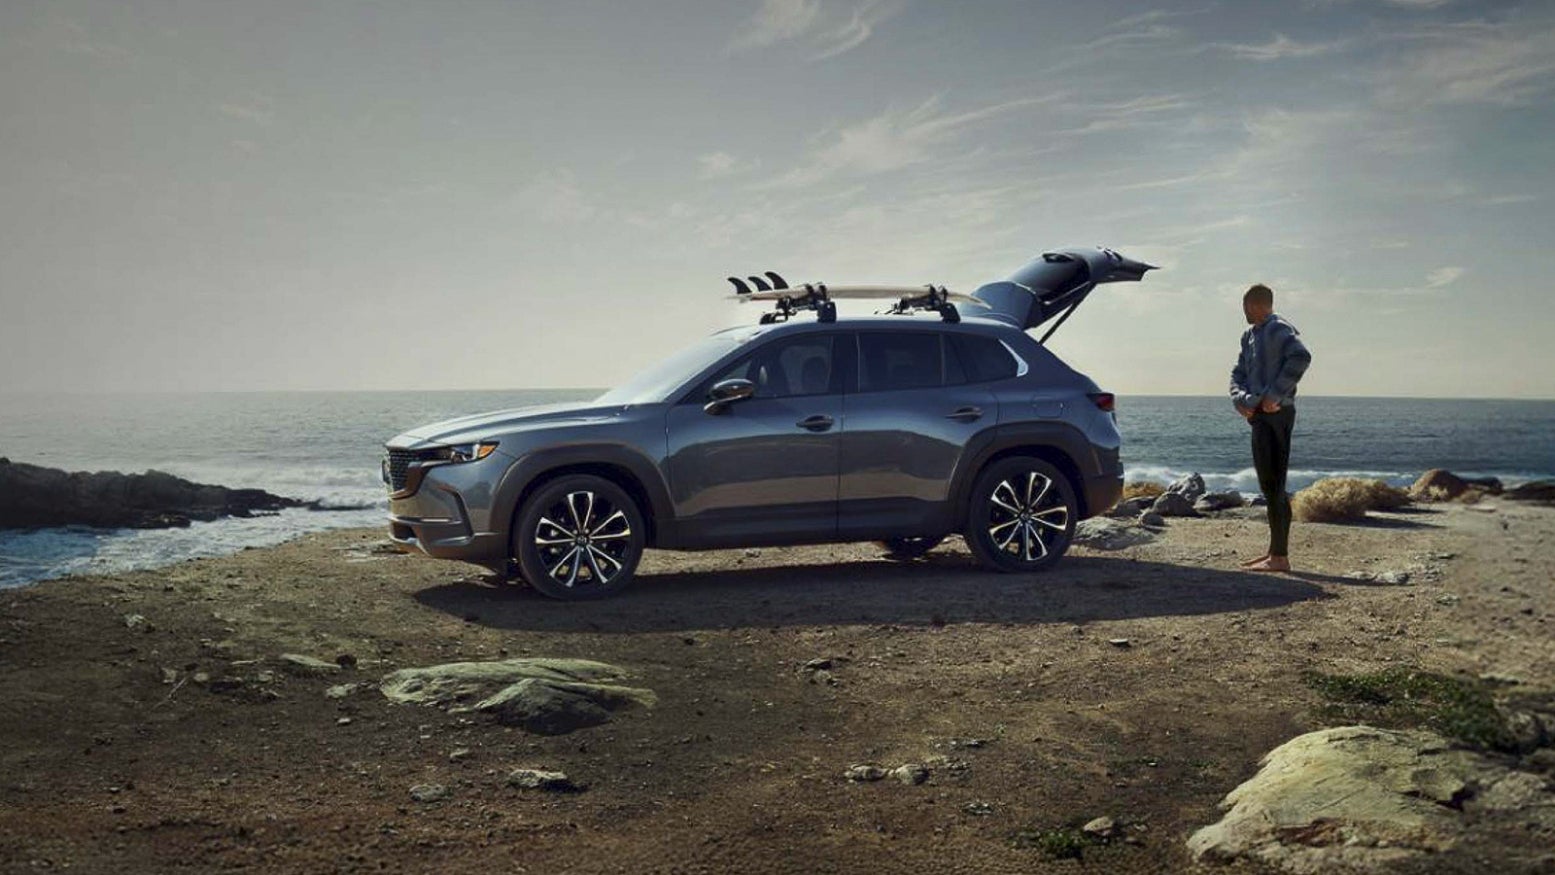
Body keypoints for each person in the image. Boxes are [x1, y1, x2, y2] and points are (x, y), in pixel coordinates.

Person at [1230, 284, 1311, 572]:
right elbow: (1237, 373)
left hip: (1277, 414)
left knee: (1274, 485)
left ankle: (1280, 558)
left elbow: (1301, 357)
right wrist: (1241, 401)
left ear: (1255, 305)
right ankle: (1274, 553)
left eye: (1245, 306)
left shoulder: (1279, 328)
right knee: (1268, 485)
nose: (1244, 312)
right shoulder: (1249, 336)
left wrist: (1274, 396)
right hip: (1258, 415)